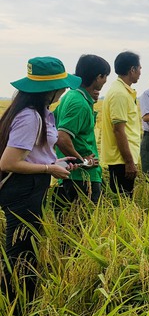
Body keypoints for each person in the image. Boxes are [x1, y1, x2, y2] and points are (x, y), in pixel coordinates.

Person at [0, 56, 81, 299]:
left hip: (30, 186)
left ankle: (21, 300)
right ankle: (17, 305)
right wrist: (49, 170)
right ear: (49, 90)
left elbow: (32, 155)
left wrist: (55, 163)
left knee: (26, 246)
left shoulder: (39, 113)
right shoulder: (30, 117)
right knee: (21, 251)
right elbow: (9, 162)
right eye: (62, 86)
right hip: (22, 188)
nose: (65, 90)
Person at [54, 54, 111, 206]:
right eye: (105, 77)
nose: (105, 81)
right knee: (83, 225)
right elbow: (61, 137)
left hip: (73, 174)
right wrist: (83, 161)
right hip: (81, 176)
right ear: (99, 77)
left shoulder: (71, 96)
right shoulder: (79, 102)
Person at [101, 51, 142, 197]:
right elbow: (118, 130)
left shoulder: (122, 91)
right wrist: (129, 162)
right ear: (132, 69)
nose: (140, 71)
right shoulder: (120, 94)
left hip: (123, 158)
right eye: (139, 68)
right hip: (121, 160)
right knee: (123, 201)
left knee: (124, 199)